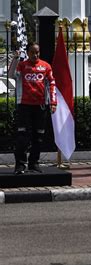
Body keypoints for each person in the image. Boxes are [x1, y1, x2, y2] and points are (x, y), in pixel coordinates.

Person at [8, 43, 57, 174]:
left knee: (38, 136)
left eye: (37, 52)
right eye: (32, 52)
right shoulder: (22, 65)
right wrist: (15, 58)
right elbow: (11, 74)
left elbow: (52, 84)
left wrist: (53, 102)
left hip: (40, 106)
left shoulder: (46, 66)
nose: (35, 55)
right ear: (28, 53)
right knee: (22, 136)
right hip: (24, 105)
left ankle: (34, 163)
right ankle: (20, 165)